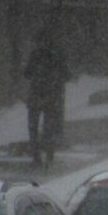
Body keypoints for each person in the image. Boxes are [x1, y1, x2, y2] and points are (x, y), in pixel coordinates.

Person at [24, 25, 70, 167]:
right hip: (50, 96)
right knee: (47, 128)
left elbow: (27, 73)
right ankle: (48, 154)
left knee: (34, 127)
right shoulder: (56, 56)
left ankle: (37, 156)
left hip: (37, 95)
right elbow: (66, 74)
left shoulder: (35, 55)